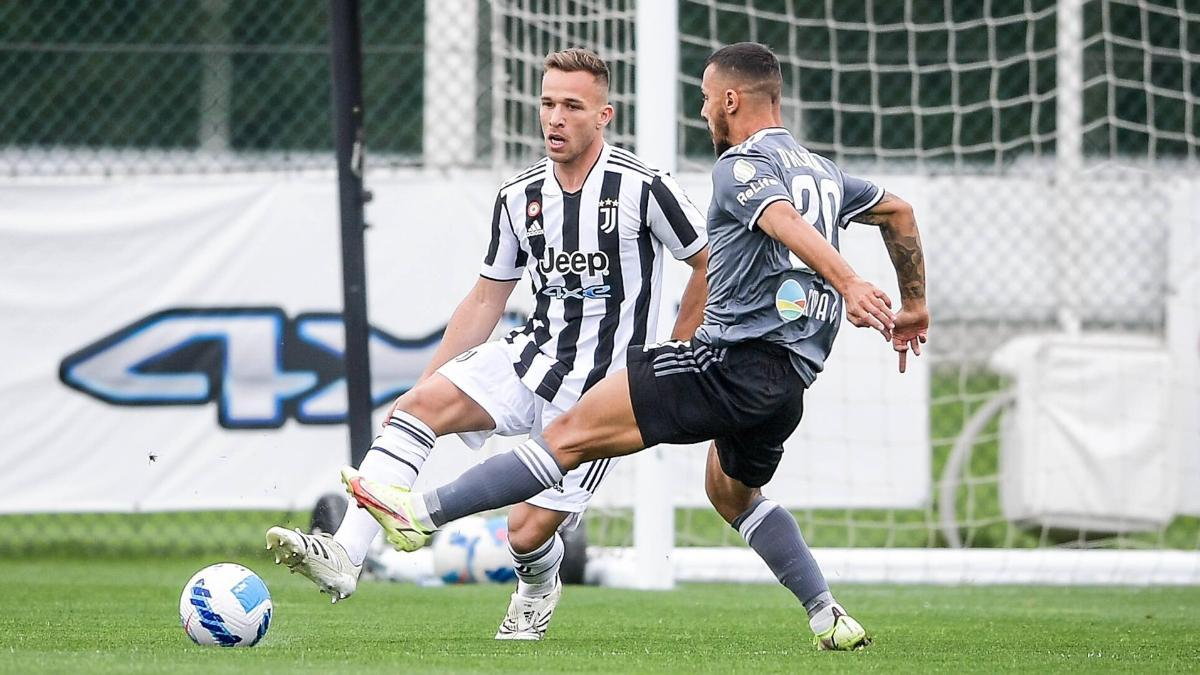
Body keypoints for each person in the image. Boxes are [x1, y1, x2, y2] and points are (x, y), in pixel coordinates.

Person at [343, 41, 928, 651]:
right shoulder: (827, 172)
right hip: (788, 385)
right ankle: (826, 614)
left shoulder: (737, 167)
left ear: (731, 100)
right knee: (732, 495)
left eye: (705, 99)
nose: (703, 112)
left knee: (567, 435)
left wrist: (852, 280)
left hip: (723, 365)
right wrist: (913, 302)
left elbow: (781, 219)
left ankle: (418, 517)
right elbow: (900, 211)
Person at [266, 48, 710, 640]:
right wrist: (428, 379)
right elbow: (484, 301)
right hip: (530, 358)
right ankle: (347, 556)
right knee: (416, 409)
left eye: (572, 106)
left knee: (524, 535)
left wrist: (674, 353)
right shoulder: (518, 195)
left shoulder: (644, 188)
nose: (555, 117)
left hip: (598, 396)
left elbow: (709, 264)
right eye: (548, 103)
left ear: (605, 115)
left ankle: (537, 584)